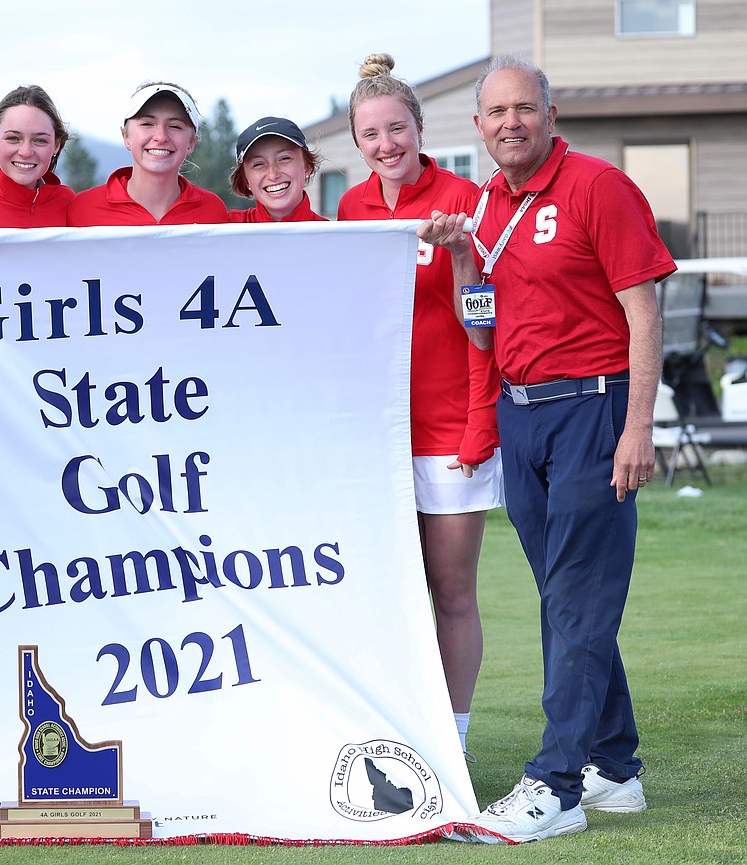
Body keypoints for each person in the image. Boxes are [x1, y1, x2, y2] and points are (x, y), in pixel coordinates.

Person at [420, 55, 675, 843]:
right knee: (568, 598)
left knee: (574, 600)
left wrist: (638, 426)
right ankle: (616, 766)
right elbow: (481, 327)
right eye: (496, 113)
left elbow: (644, 314)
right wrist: (463, 257)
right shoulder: (488, 206)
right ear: (478, 127)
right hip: (521, 416)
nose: (510, 124)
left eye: (523, 108)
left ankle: (556, 783)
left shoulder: (598, 187)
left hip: (592, 411)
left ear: (550, 113)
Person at [337, 54, 502, 762]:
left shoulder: (464, 195)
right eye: (370, 135)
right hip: (377, 435)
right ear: (357, 143)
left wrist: (462, 254)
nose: (385, 146)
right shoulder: (350, 208)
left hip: (451, 429)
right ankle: (401, 732)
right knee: (386, 591)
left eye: (396, 129)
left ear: (419, 127)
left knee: (452, 591)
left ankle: (453, 742)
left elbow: (484, 327)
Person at [67, 82, 227, 226]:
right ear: (126, 137)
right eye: (147, 124)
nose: (161, 137)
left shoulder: (213, 211)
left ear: (191, 143)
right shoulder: (84, 208)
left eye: (175, 126)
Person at [0, 85, 75, 228]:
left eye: (40, 140)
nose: (26, 152)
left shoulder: (70, 204)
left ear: (56, 145)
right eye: (13, 138)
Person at [227, 117, 326, 223]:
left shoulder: (333, 235)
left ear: (307, 166)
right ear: (245, 179)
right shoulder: (224, 229)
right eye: (258, 164)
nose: (273, 175)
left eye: (284, 158)